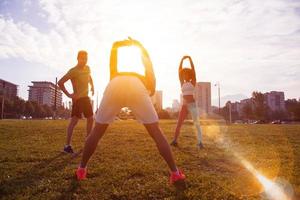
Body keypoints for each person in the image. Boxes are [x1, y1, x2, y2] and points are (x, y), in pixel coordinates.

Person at [76, 38, 185, 184]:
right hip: (136, 86)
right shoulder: (147, 80)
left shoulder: (115, 74)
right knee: (156, 131)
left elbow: (114, 50)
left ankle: (81, 170)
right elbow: (147, 63)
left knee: (97, 131)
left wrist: (123, 44)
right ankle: (175, 173)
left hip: (115, 84)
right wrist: (140, 46)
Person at [58, 50, 94, 154]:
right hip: (78, 99)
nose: (84, 60)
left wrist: (93, 86)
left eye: (86, 58)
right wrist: (69, 95)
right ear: (78, 58)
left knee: (91, 118)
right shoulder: (73, 71)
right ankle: (67, 146)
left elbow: (90, 77)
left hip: (86, 98)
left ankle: (88, 141)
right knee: (74, 121)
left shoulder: (88, 68)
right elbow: (60, 82)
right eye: (82, 58)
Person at [170, 55, 204, 148]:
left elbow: (194, 70)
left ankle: (200, 142)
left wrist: (190, 59)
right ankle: (175, 140)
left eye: (186, 74)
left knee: (196, 124)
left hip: (192, 105)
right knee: (179, 124)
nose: (184, 75)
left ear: (189, 75)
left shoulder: (193, 81)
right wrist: (181, 60)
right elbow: (179, 71)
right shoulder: (182, 83)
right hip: (184, 105)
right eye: (183, 74)